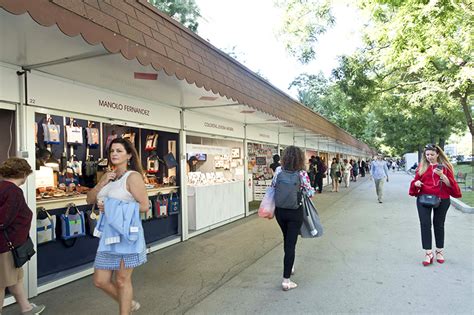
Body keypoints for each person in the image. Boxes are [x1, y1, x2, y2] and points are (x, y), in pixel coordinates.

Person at [86, 139, 149, 314]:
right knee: (100, 280)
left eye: (119, 151)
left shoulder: (133, 177)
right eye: (112, 150)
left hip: (127, 235)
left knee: (122, 280)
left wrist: (111, 207)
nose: (114, 154)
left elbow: (145, 206)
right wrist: (102, 183)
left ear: (129, 155)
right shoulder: (109, 177)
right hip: (108, 235)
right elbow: (89, 199)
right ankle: (128, 304)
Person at [0, 158, 46, 315]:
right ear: (23, 174)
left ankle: (26, 308)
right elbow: (4, 219)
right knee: (1, 284)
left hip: (9, 245)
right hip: (6, 246)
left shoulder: (3, 187)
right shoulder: (13, 191)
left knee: (16, 279)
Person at [409, 144, 461, 266]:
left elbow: (451, 186)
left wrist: (442, 175)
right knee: (425, 224)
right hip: (423, 199)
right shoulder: (422, 167)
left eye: (432, 154)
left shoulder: (446, 167)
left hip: (442, 199)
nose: (429, 157)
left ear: (438, 154)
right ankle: (428, 253)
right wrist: (416, 183)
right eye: (427, 155)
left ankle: (439, 251)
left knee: (439, 224)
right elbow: (415, 183)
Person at [272, 146, 314, 291]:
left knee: (286, 239)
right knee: (291, 243)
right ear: (300, 158)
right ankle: (286, 280)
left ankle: (290, 266)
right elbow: (310, 192)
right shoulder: (302, 173)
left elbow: (273, 186)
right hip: (295, 211)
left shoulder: (278, 171)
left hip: (280, 211)